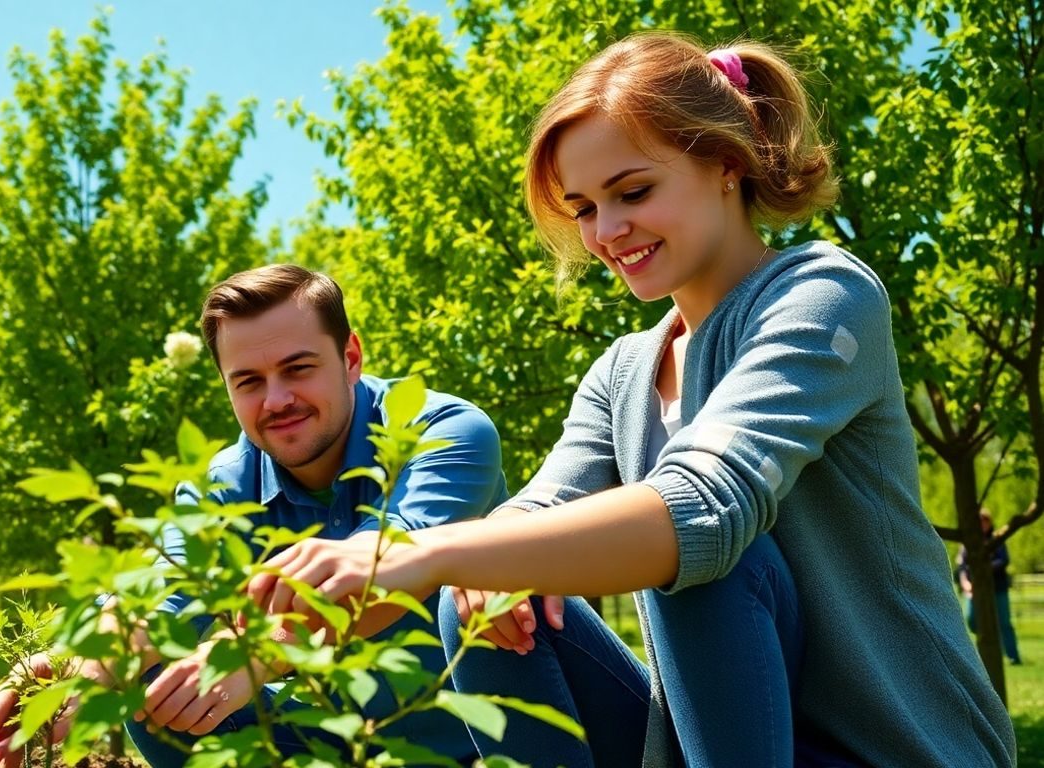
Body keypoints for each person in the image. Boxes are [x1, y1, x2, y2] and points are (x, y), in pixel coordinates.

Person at [248, 33, 1015, 767]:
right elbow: (537, 513)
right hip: (730, 742)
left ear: (725, 163)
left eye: (633, 191)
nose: (606, 231)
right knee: (480, 595)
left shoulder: (822, 295)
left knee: (694, 549)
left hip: (900, 748)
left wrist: (429, 550)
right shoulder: (622, 373)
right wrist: (269, 633)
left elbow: (701, 507)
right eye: (583, 208)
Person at [0, 264, 507, 768]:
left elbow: (380, 569)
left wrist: (251, 653)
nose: (276, 400)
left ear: (350, 357)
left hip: (475, 736)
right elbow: (165, 590)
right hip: (320, 734)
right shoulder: (225, 483)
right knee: (154, 685)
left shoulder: (445, 432)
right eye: (248, 381)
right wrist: (78, 665)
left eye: (297, 369)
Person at [959, 510, 1023, 665]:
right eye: (979, 521)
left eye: (984, 521)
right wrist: (966, 583)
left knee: (1004, 622)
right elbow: (962, 566)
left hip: (997, 588)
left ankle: (1013, 656)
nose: (982, 524)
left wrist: (983, 568)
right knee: (972, 620)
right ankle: (982, 654)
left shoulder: (997, 539)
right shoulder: (969, 541)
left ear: (989, 522)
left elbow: (1003, 560)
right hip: (975, 589)